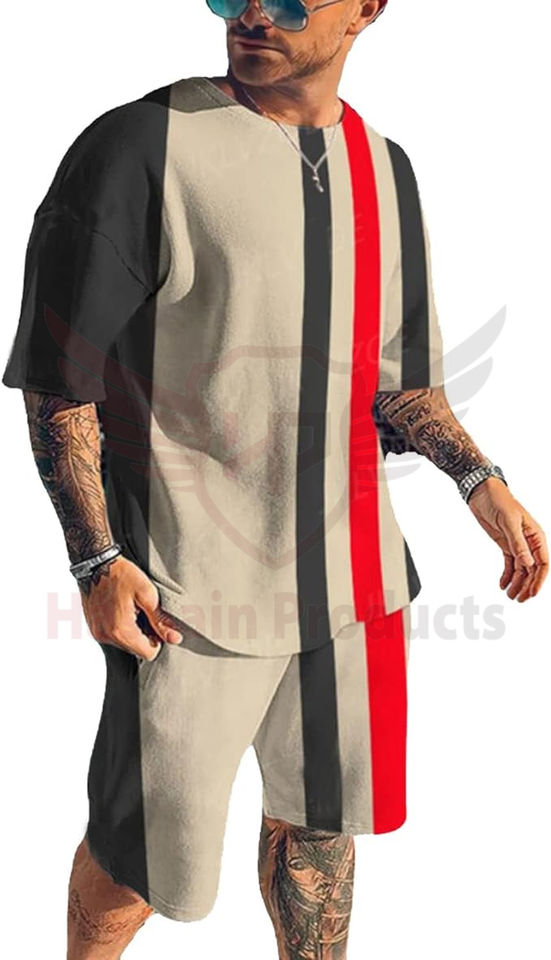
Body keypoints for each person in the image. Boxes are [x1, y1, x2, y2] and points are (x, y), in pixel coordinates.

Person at [3, 1, 548, 957]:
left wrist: (479, 480)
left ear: (366, 9)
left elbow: (397, 383)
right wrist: (95, 560)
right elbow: (60, 377)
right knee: (141, 861)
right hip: (185, 591)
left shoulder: (386, 170)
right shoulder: (138, 147)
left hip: (353, 581)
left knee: (317, 835)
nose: (254, 13)